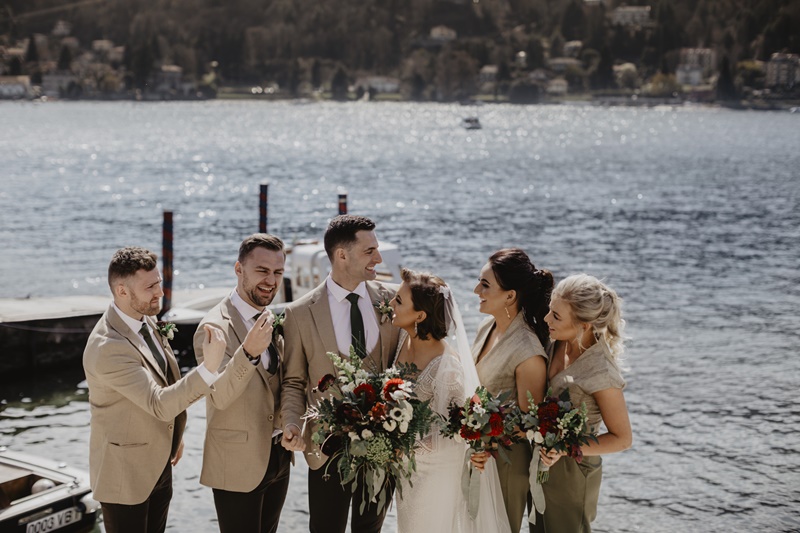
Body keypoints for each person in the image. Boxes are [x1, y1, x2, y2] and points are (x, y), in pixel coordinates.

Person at [83, 246, 263, 533]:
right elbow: (158, 403)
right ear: (122, 291)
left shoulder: (145, 320)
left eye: (159, 282)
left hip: (159, 463)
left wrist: (175, 433)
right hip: (125, 477)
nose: (160, 292)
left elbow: (164, 380)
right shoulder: (108, 347)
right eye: (150, 287)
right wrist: (208, 368)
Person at [280, 214, 401, 533]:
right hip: (326, 447)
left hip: (383, 444)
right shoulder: (299, 313)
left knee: (371, 529)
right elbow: (293, 381)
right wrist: (291, 422)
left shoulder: (393, 300)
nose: (379, 258)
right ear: (342, 255)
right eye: (369, 251)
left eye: (377, 249)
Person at [390, 268, 511, 533]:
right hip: (406, 471)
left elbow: (455, 435)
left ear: (420, 316)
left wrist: (403, 447)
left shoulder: (448, 369)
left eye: (398, 300)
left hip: (436, 475)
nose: (391, 304)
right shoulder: (402, 339)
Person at [193, 234, 291, 533]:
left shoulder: (269, 317)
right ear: (239, 269)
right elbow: (218, 396)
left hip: (278, 456)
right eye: (262, 271)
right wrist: (248, 353)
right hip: (236, 463)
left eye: (277, 272)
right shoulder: (213, 327)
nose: (271, 281)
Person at [538, 274, 632, 533]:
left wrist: (565, 449)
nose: (546, 319)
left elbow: (623, 439)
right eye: (550, 310)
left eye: (556, 316)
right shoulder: (557, 342)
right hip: (542, 464)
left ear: (584, 325)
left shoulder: (601, 372)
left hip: (574, 474)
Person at [469, 248, 553, 531]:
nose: (476, 290)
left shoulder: (528, 352)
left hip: (506, 463)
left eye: (485, 285)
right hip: (480, 456)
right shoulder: (486, 327)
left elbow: (531, 424)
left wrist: (487, 441)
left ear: (510, 296)